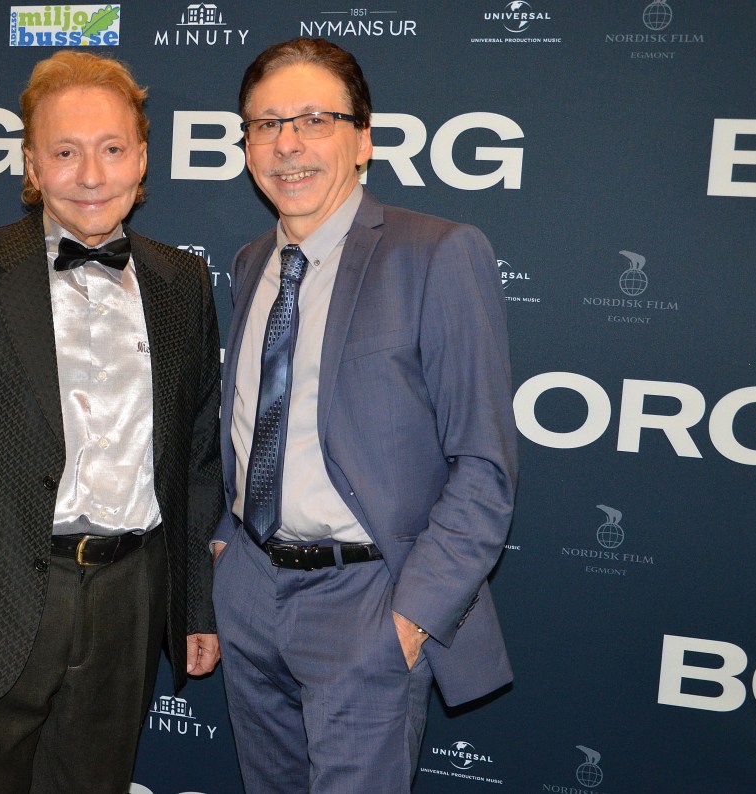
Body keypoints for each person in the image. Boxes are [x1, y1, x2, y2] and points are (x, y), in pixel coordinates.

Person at [0, 50, 223, 794]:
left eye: (112, 149)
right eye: (65, 152)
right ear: (32, 165)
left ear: (142, 160)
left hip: (131, 600)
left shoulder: (182, 281)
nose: (91, 175)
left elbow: (196, 461)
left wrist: (195, 605)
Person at [212, 38, 518, 793]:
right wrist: (225, 548)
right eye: (266, 124)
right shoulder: (251, 262)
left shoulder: (438, 254)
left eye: (314, 120)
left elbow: (484, 466)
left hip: (367, 602)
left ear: (363, 139)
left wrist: (409, 620)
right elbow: (250, 424)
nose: (288, 144)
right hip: (249, 592)